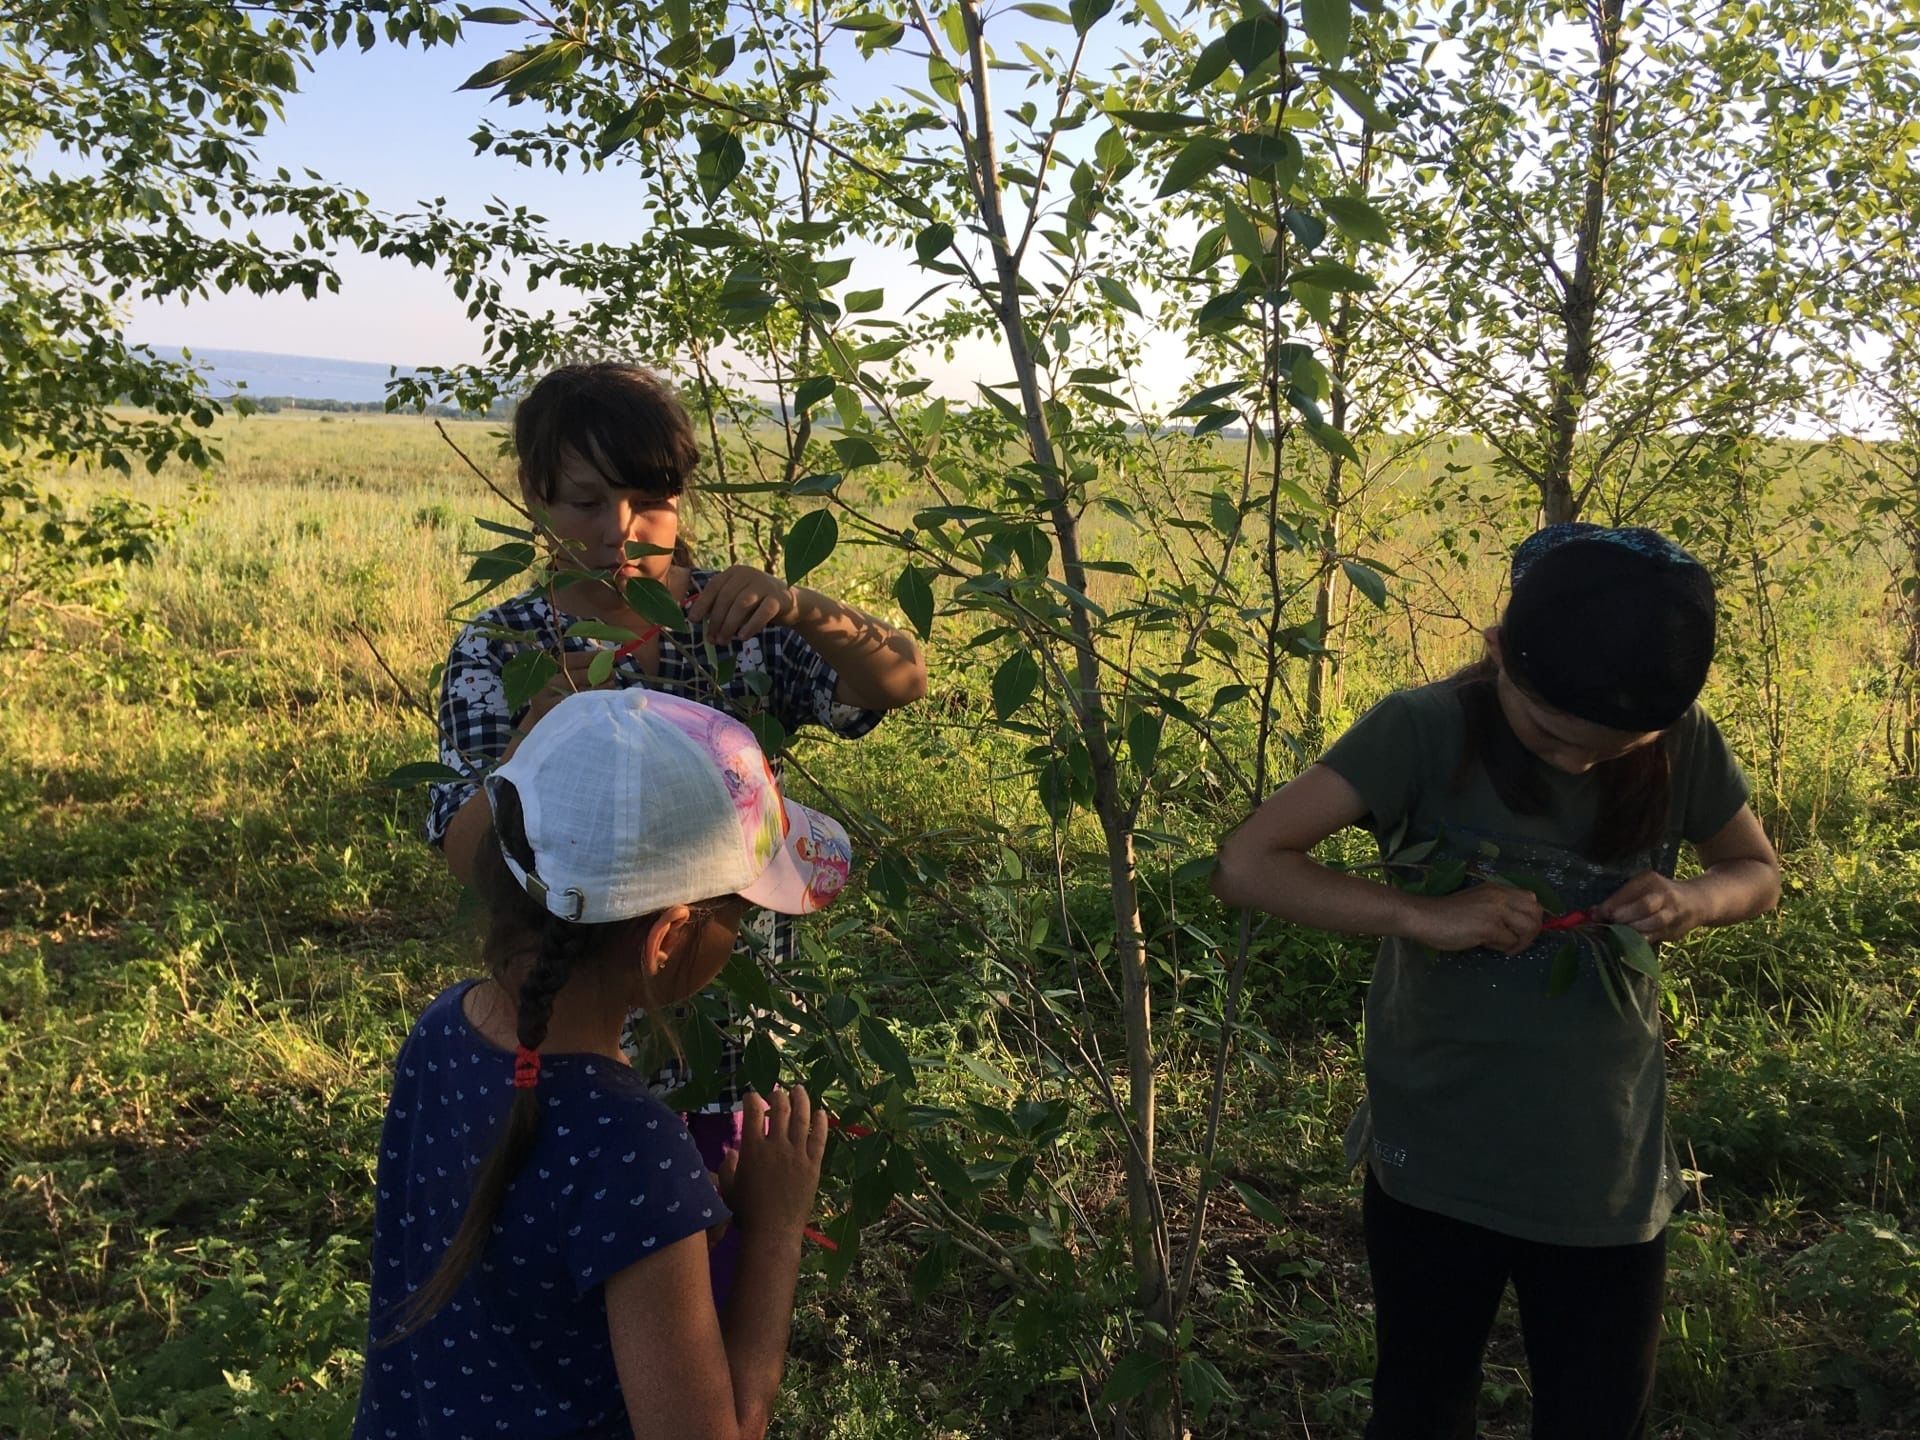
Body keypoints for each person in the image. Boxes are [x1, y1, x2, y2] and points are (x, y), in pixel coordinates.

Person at [1212, 525, 1781, 1440]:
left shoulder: (1684, 741)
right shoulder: (1424, 727)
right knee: (1424, 1398)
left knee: (1596, 1410)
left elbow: (1756, 870)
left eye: (1614, 746)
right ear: (1502, 658)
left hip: (1603, 1163)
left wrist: (1695, 898)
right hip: (1436, 1152)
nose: (1576, 762)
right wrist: (1424, 915)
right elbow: (1249, 862)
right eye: (1552, 733)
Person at [425, 362, 925, 1256]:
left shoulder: (735, 622)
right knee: (601, 1243)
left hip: (734, 993)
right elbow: (470, 856)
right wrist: (532, 747)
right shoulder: (505, 648)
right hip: (575, 1019)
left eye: (649, 499)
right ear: (535, 500)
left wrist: (805, 607)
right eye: (583, 501)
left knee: (724, 1228)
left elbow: (900, 680)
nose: (621, 530)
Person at [356, 686, 853, 1440]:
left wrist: (662, 1223)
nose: (746, 930)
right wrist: (777, 1228)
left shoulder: (441, 1031)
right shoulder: (633, 1151)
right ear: (667, 941)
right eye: (742, 912)